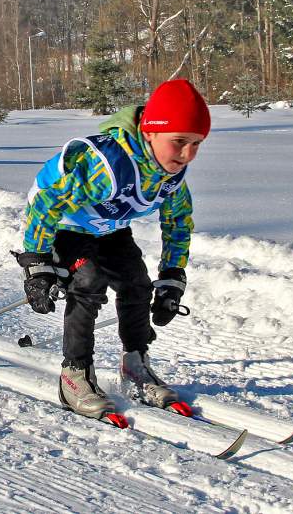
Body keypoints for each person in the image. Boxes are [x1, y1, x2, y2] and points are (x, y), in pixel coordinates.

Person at [14, 79, 210, 421]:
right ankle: (75, 374)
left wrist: (172, 276)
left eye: (196, 143)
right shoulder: (107, 165)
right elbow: (46, 203)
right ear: (150, 133)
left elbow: (178, 221)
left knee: (137, 282)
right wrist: (37, 262)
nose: (188, 154)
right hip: (65, 226)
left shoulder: (171, 175)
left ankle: (135, 365)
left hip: (110, 228)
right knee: (88, 281)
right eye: (179, 142)